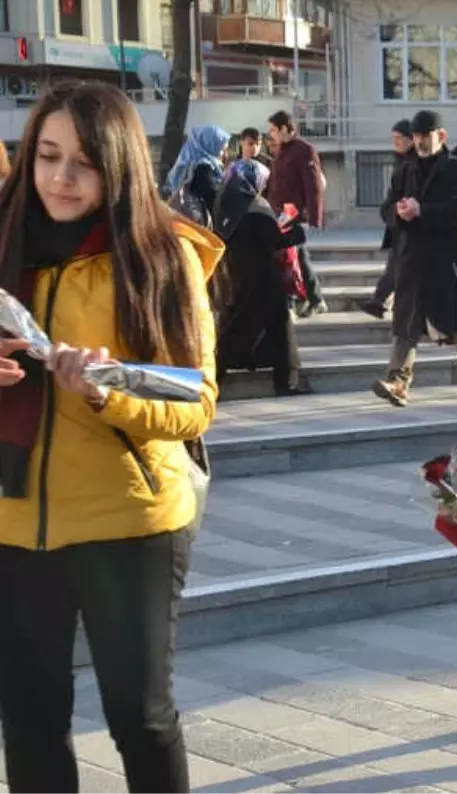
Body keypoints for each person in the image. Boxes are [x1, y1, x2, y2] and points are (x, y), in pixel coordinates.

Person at [0, 81, 223, 794]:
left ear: (120, 165)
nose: (60, 179)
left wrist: (105, 389)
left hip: (129, 520)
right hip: (11, 519)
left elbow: (194, 403)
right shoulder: (4, 243)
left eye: (85, 163)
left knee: (141, 718)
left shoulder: (161, 256)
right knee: (29, 719)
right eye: (48, 155)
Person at [373, 110, 457, 407]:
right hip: (413, 256)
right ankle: (398, 382)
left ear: (442, 136)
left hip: (451, 256)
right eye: (416, 137)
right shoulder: (403, 171)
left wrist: (422, 210)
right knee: (406, 321)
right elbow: (385, 208)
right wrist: (398, 213)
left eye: (426, 136)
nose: (421, 142)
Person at [212, 159, 310, 397]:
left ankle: (217, 378)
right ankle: (285, 380)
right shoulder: (255, 207)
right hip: (263, 279)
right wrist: (296, 232)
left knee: (240, 327)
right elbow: (272, 241)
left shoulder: (229, 203)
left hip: (239, 276)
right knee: (275, 324)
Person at [266, 109, 326, 317]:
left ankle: (297, 300)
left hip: (294, 214)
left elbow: (313, 184)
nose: (271, 135)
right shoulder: (282, 151)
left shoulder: (304, 150)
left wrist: (314, 215)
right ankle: (314, 298)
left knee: (292, 257)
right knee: (297, 256)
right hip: (280, 213)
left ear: (284, 128)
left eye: (273, 130)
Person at [364, 119, 415, 318]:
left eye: (399, 138)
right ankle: (382, 301)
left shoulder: (412, 164)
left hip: (409, 227)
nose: (395, 142)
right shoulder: (401, 162)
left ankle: (381, 301)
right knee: (395, 266)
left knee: (397, 267)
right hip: (399, 223)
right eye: (393, 138)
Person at [164, 124, 230, 224]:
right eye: (221, 150)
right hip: (199, 227)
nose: (225, 154)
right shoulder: (203, 169)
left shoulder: (186, 163)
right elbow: (216, 200)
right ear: (209, 146)